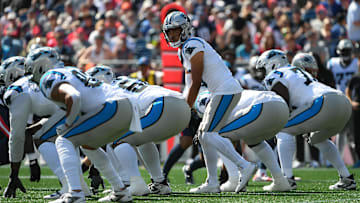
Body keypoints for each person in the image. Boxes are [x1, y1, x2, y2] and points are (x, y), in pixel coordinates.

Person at [162, 11, 290, 193]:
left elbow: (196, 81)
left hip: (224, 91)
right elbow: (190, 82)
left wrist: (185, 108)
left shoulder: (192, 45)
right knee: (205, 134)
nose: (172, 35)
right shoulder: (185, 49)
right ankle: (213, 181)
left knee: (208, 134)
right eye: (169, 32)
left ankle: (242, 167)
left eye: (175, 30)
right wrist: (186, 104)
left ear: (185, 29)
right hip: (223, 91)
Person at [25, 48, 139, 202]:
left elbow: (73, 96)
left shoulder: (49, 77)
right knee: (87, 144)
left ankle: (76, 193)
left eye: (32, 71)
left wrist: (68, 124)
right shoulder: (70, 70)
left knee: (63, 139)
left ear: (41, 67)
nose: (32, 77)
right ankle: (120, 190)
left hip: (112, 107)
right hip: (128, 107)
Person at [258, 49, 357, 190]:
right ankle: (346, 179)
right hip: (343, 103)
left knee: (283, 129)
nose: (263, 72)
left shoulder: (276, 74)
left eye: (263, 68)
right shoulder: (297, 71)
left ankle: (287, 180)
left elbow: (283, 104)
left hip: (323, 103)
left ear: (272, 64)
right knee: (317, 138)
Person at [87, 66, 191, 195]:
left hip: (162, 106)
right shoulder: (124, 81)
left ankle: (131, 184)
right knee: (141, 139)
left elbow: (108, 132)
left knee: (117, 140)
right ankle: (160, 183)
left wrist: (93, 166)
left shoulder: (107, 91)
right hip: (182, 105)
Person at [327, 39, 358, 158]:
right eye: (343, 52)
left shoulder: (356, 63)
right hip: (339, 101)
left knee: (354, 132)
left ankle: (356, 158)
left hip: (354, 100)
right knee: (340, 131)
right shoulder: (332, 63)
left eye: (347, 51)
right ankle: (337, 157)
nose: (345, 54)